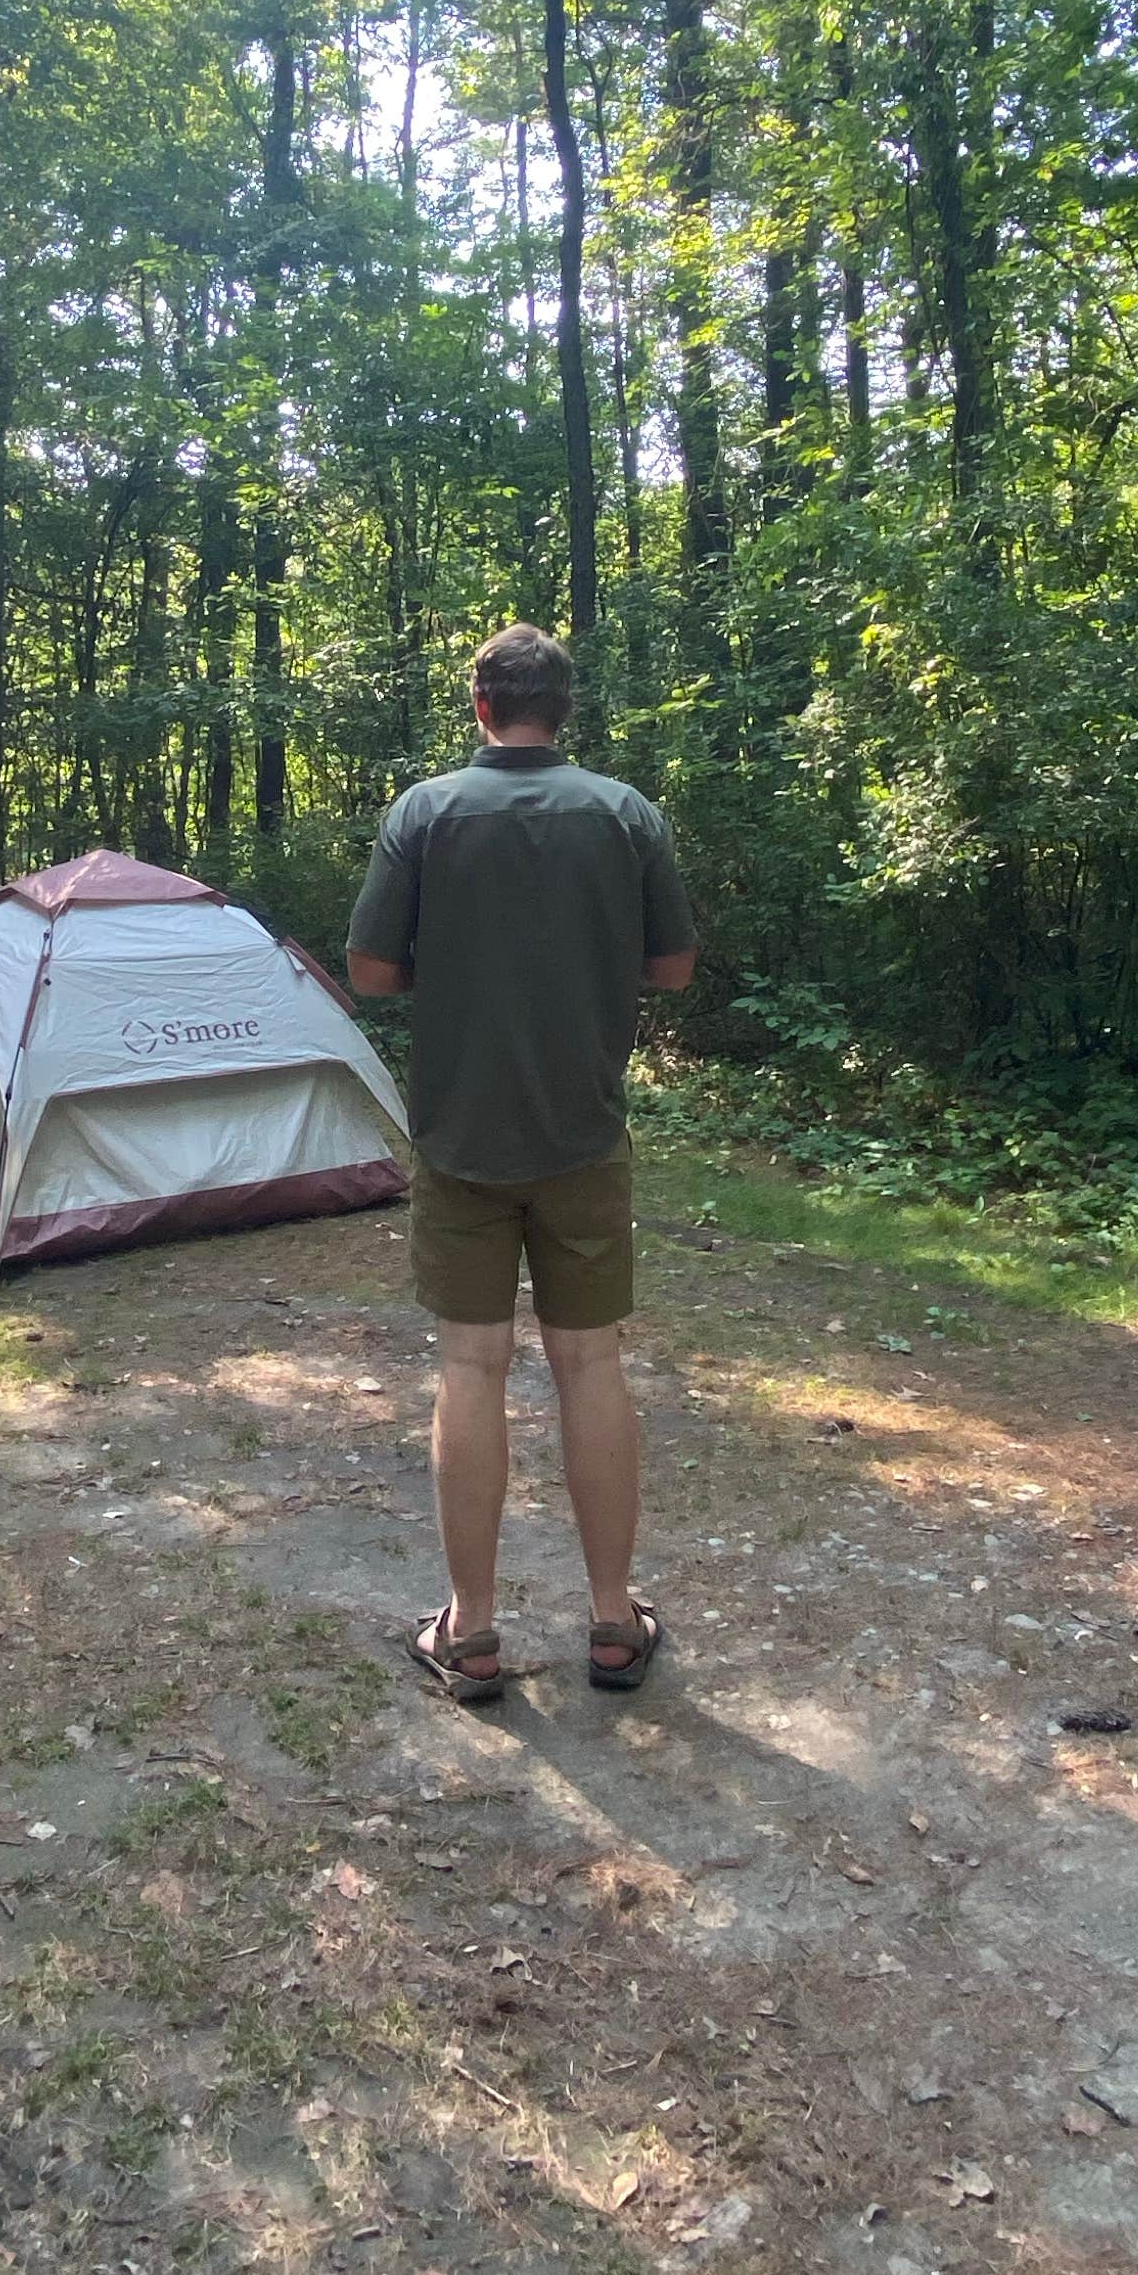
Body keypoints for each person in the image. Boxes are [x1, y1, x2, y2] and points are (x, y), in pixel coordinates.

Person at [345, 623, 696, 1703]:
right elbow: (674, 968)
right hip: (583, 1135)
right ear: (565, 709)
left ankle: (473, 1632)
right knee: (592, 1366)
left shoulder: (426, 812)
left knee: (472, 1365)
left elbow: (368, 970)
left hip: (461, 1138)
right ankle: (609, 1622)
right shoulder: (625, 812)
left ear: (481, 706)